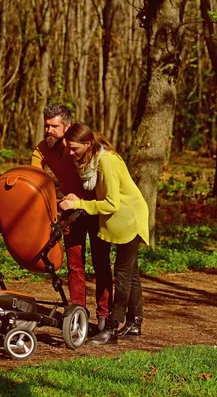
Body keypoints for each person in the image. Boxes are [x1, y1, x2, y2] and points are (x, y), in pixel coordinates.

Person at [58, 122, 149, 345]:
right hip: (119, 219)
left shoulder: (105, 161)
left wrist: (78, 204)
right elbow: (97, 193)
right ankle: (135, 322)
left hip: (129, 219)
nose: (70, 152)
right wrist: (76, 199)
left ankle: (111, 328)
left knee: (123, 274)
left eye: (74, 148)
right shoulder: (94, 158)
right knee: (132, 273)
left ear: (87, 143)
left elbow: (110, 203)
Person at [31, 104, 112, 332]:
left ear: (67, 126)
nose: (48, 130)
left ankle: (105, 316)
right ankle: (79, 314)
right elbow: (34, 176)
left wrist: (83, 197)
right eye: (46, 125)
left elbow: (103, 174)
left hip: (94, 207)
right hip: (70, 211)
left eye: (54, 126)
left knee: (101, 262)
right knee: (75, 265)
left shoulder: (82, 143)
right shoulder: (42, 149)